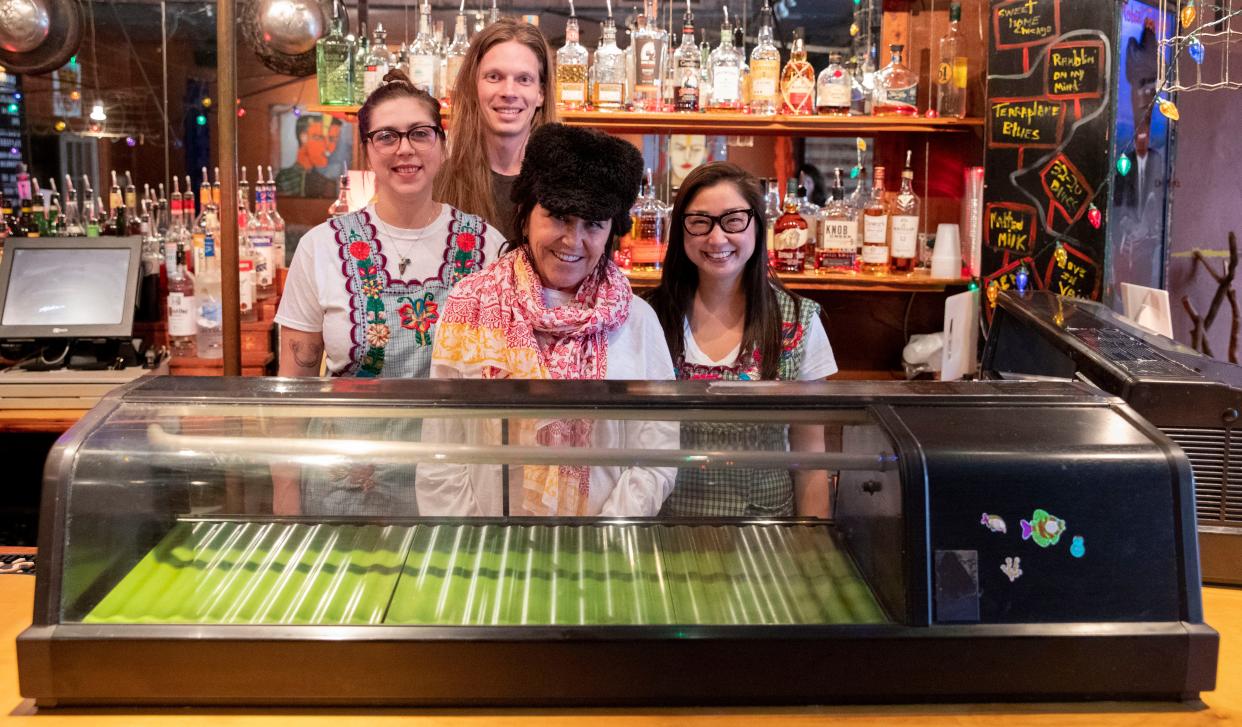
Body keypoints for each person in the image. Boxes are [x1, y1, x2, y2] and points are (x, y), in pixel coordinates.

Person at [272, 68, 504, 515]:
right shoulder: (321, 247)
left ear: (441, 143)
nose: (405, 149)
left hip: (456, 483)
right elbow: (292, 390)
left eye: (420, 133)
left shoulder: (486, 246)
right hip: (348, 487)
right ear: (367, 149)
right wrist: (286, 497)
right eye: (386, 136)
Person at [418, 123, 678, 517]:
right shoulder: (469, 305)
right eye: (558, 216)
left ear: (611, 232)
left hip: (599, 554)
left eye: (593, 223)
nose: (573, 241)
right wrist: (471, 540)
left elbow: (655, 454)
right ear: (526, 216)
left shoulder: (636, 320)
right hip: (487, 549)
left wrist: (602, 537)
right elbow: (441, 450)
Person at [646, 161, 838, 518]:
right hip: (665, 534)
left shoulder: (799, 320)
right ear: (681, 230)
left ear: (757, 225)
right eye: (700, 221)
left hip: (764, 538)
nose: (716, 238)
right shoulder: (647, 316)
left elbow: (810, 460)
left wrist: (813, 552)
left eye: (733, 220)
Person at [434, 18, 557, 240]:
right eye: (494, 77)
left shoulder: (567, 184)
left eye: (524, 79)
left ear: (541, 93)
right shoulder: (439, 185)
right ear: (473, 86)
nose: (508, 92)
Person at [275, 114, 344, 198]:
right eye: (319, 138)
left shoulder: (328, 181)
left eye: (333, 140)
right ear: (303, 138)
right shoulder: (284, 179)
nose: (328, 149)